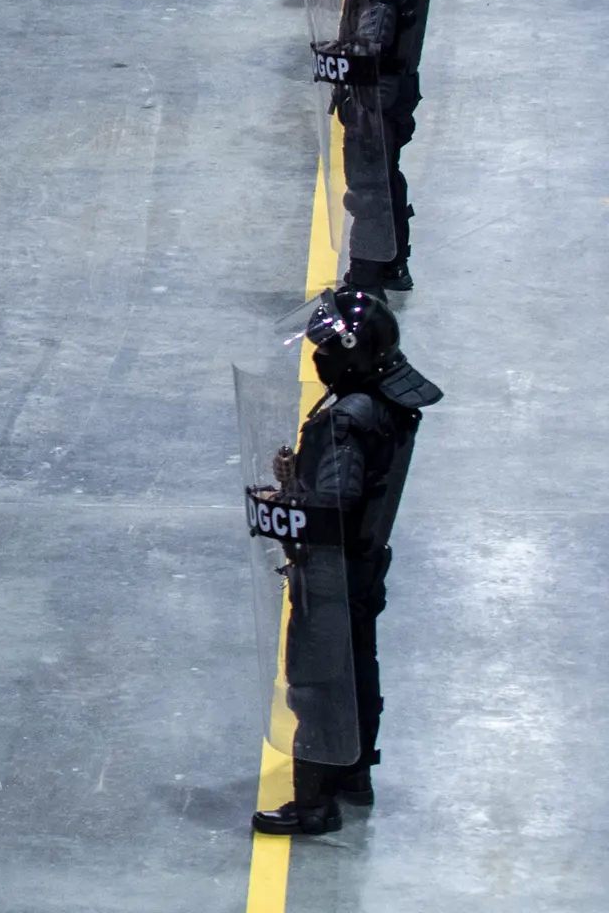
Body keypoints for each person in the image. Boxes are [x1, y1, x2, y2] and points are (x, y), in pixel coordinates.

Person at [251, 286, 437, 836]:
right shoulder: (388, 400)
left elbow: (333, 506)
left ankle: (313, 801)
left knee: (317, 679)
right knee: (357, 668)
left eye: (325, 347)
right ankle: (354, 773)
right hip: (365, 566)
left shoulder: (344, 422)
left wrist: (284, 503)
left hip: (331, 571)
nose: (317, 354)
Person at [325, 0, 430, 295]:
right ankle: (393, 261)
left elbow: (372, 42)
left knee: (368, 184)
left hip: (375, 101)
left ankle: (366, 277)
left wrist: (338, 58)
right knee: (386, 177)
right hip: (390, 97)